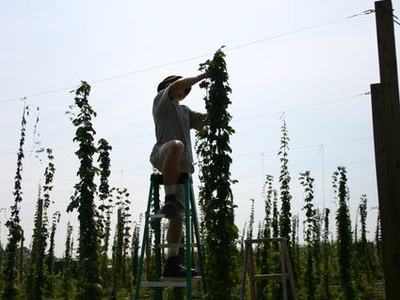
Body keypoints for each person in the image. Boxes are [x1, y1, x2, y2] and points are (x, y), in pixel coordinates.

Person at [150, 72, 209, 277]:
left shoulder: (184, 111)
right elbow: (177, 86)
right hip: (163, 153)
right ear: (167, 86)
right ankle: (169, 198)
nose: (185, 90)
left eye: (187, 90)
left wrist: (215, 99)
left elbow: (205, 121)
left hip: (182, 167)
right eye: (182, 86)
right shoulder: (161, 101)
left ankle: (172, 262)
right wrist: (206, 74)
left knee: (178, 217)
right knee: (176, 145)